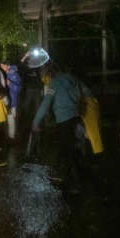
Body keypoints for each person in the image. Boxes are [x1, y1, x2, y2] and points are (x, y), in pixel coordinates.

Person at [32, 61, 94, 193]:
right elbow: (88, 92)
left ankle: (75, 184)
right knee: (70, 147)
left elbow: (46, 102)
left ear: (52, 71)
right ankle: (60, 173)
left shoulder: (55, 82)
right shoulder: (74, 79)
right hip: (76, 118)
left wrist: (36, 121)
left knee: (68, 152)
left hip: (63, 120)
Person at [0, 60, 21, 141]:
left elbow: (18, 88)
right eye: (1, 66)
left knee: (11, 120)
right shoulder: (1, 75)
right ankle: (6, 137)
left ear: (8, 66)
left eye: (3, 66)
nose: (2, 68)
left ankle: (11, 137)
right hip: (4, 101)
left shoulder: (14, 75)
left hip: (12, 102)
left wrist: (10, 83)